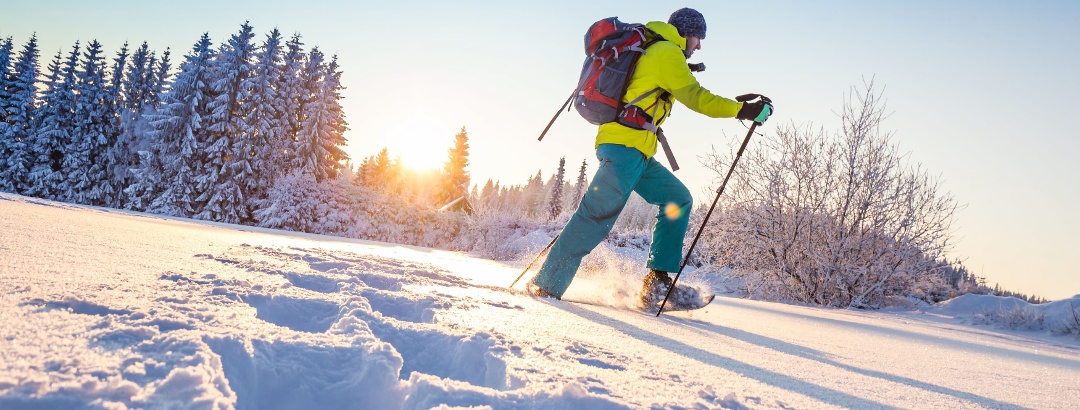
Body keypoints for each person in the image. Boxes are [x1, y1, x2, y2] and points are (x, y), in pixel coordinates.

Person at [527, 8, 773, 309]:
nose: (699, 45)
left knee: (677, 199)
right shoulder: (665, 52)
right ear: (685, 32)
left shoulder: (660, 51)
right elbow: (697, 97)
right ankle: (546, 287)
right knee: (594, 219)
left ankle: (657, 283)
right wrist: (742, 110)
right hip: (624, 149)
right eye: (698, 37)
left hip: (637, 151)